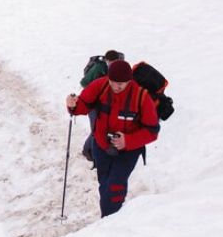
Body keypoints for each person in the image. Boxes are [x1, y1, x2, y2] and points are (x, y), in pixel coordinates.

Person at [66, 59, 159, 217]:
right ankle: (110, 220)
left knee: (115, 187)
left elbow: (152, 131)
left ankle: (109, 224)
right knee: (104, 184)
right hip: (101, 145)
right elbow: (82, 105)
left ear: (129, 81)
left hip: (128, 151)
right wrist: (72, 105)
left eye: (121, 84)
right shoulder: (100, 86)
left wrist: (128, 141)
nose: (117, 87)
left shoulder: (141, 96)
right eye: (113, 82)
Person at [80, 49, 125, 163]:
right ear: (107, 60)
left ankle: (94, 151)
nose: (113, 65)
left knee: (102, 129)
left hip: (104, 104)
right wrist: (94, 90)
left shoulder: (114, 68)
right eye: (111, 63)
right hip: (93, 104)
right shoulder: (99, 68)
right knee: (96, 130)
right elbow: (84, 82)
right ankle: (87, 151)